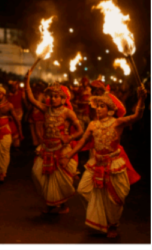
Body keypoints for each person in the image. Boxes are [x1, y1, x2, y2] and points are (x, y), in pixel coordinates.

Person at [68, 89, 145, 238]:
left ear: (110, 110)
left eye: (102, 106)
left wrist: (141, 99)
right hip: (96, 164)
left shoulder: (117, 123)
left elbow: (137, 116)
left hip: (113, 165)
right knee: (82, 190)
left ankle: (113, 225)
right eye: (97, 106)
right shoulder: (92, 125)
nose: (98, 109)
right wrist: (70, 155)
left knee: (115, 199)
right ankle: (99, 216)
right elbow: (83, 141)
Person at [26, 65, 83, 214]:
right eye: (51, 96)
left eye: (57, 96)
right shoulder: (45, 108)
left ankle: (62, 204)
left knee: (61, 179)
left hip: (61, 149)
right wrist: (27, 80)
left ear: (64, 99)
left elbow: (80, 131)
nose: (53, 98)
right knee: (38, 174)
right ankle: (51, 200)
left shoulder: (67, 112)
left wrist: (69, 137)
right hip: (46, 148)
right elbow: (31, 99)